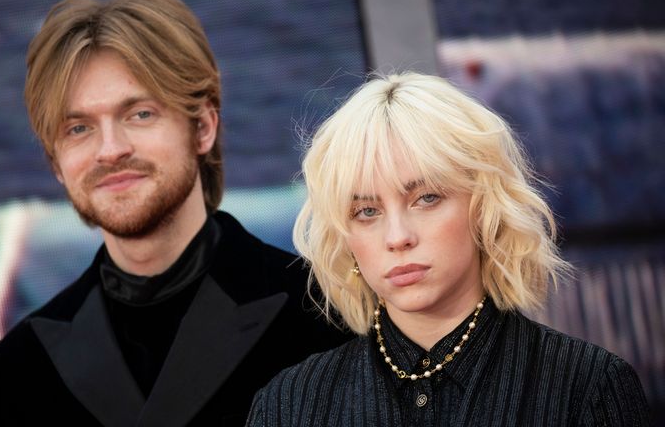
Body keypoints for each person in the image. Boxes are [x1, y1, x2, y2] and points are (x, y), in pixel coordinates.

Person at [0, 0, 350, 426]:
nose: (111, 150)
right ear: (55, 162)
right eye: (78, 128)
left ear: (203, 127)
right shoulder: (23, 366)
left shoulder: (324, 315)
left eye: (139, 114)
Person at [246, 72, 651, 426]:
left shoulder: (587, 388)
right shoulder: (289, 404)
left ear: (483, 206)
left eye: (426, 198)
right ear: (345, 238)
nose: (397, 236)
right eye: (366, 210)